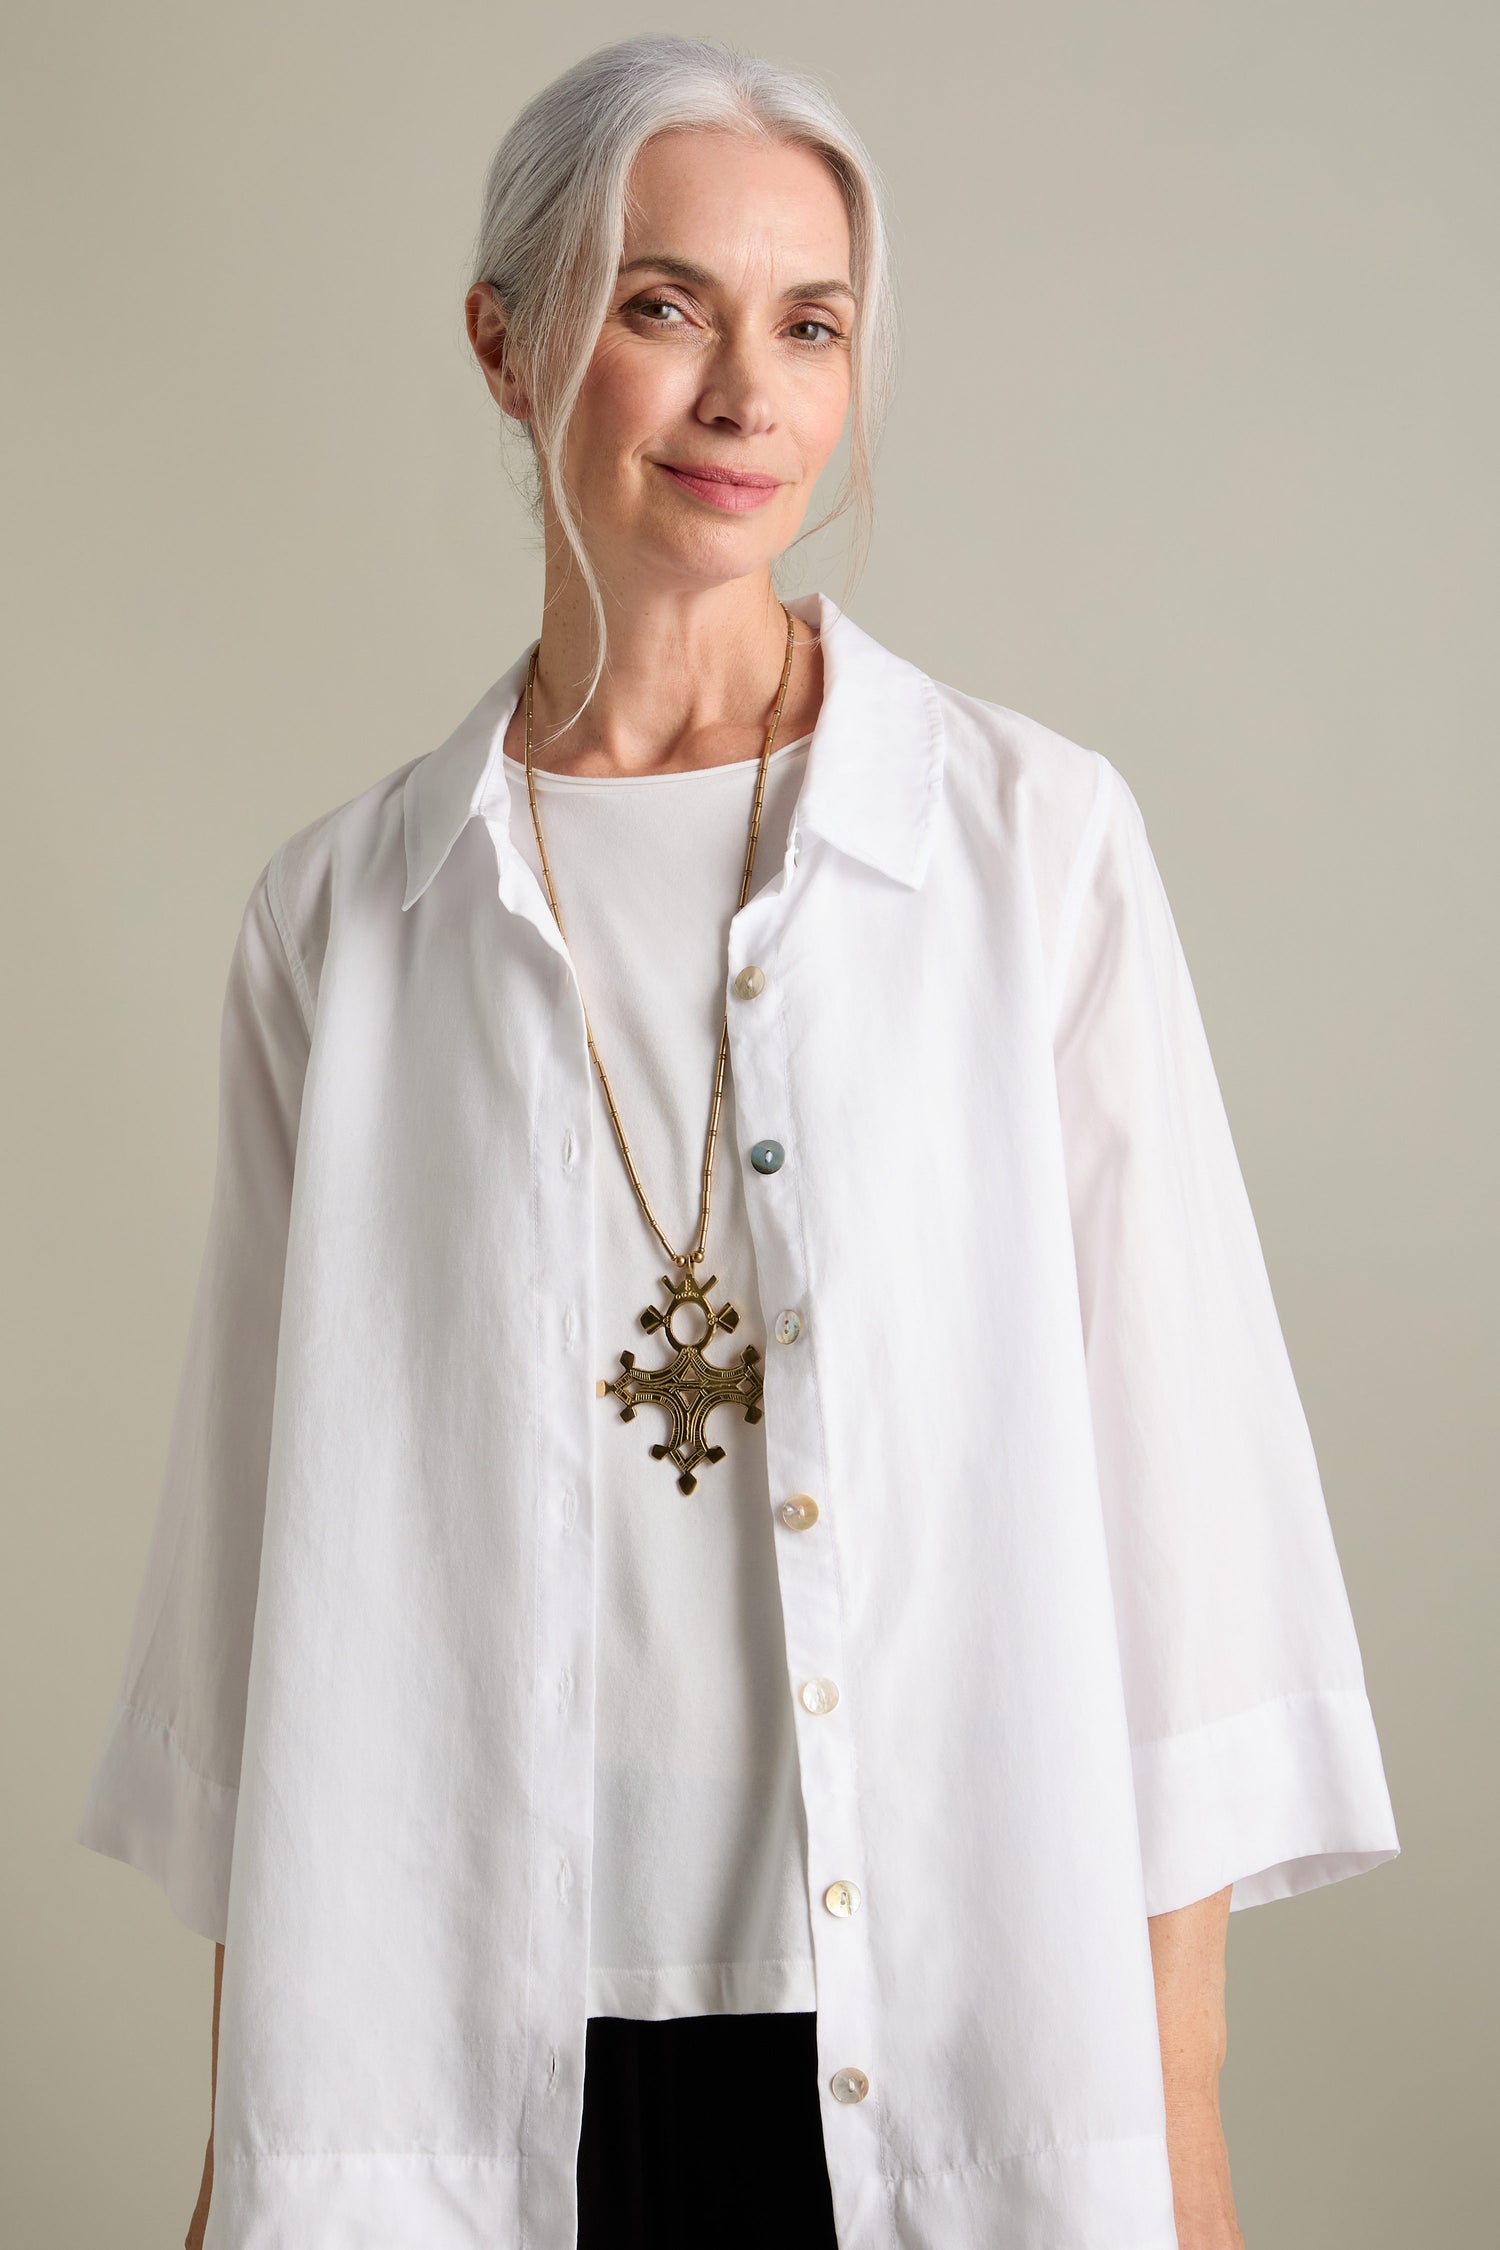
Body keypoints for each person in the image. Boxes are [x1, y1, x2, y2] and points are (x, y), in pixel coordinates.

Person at [74, 33, 1399, 2250]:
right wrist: (251, 2170)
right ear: (509, 345)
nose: (745, 399)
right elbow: (264, 1599)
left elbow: (1188, 1558)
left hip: (940, 2065)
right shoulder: (346, 919)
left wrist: (1181, 2129)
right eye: (664, 304)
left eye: (812, 327)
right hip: (465, 2076)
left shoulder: (1027, 852)